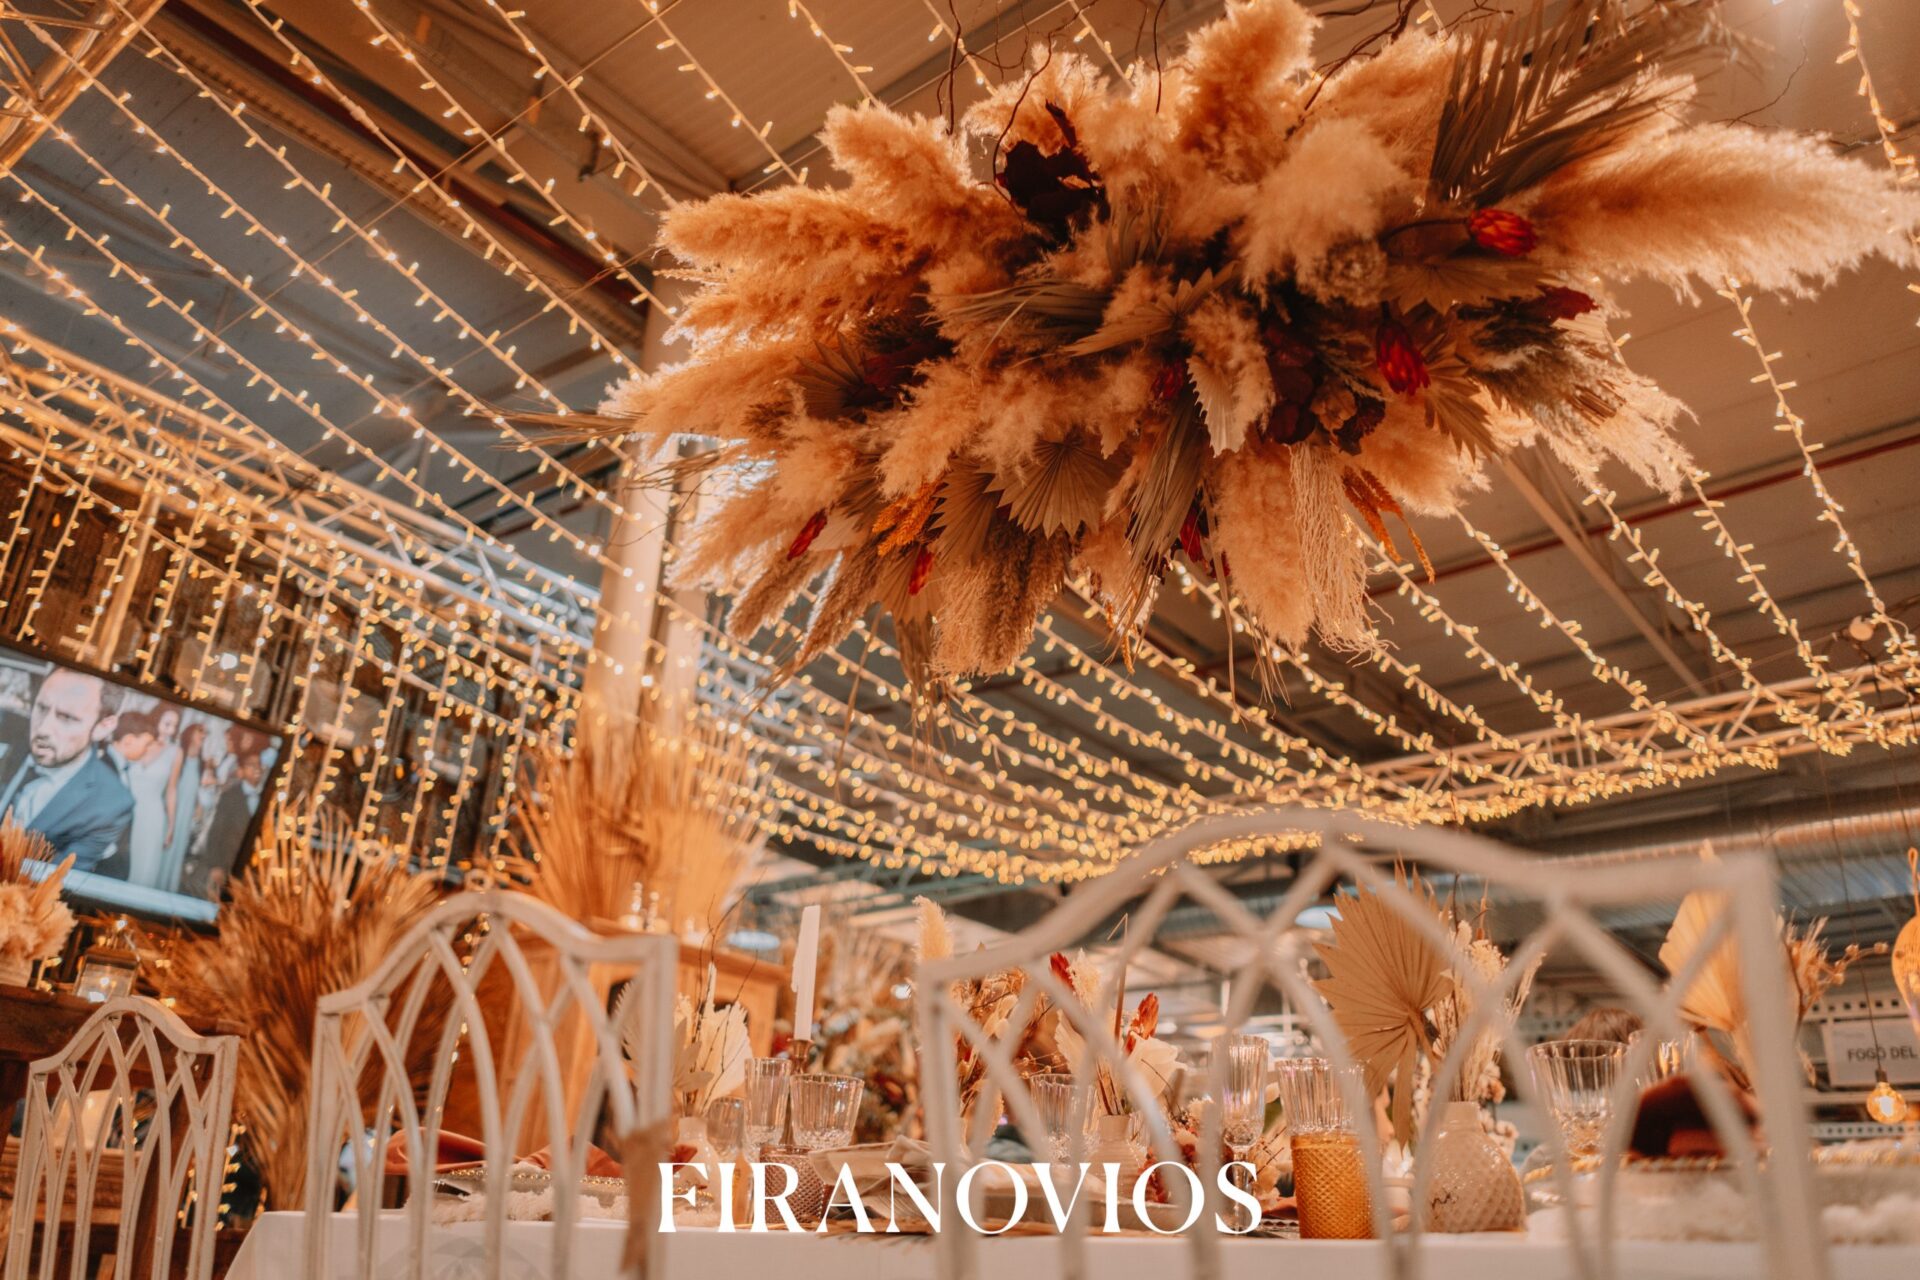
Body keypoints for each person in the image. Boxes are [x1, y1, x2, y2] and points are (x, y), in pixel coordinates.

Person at [0, 669, 135, 871]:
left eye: (67, 718)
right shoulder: (12, 743)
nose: (43, 729)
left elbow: (60, 879)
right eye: (42, 708)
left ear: (103, 727)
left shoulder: (110, 804)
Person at [107, 710, 170, 887]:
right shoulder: (105, 767)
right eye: (147, 744)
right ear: (128, 740)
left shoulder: (123, 767)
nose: (148, 750)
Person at [157, 721, 207, 895]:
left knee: (178, 848)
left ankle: (167, 887)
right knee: (164, 847)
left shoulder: (201, 763)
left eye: (204, 733)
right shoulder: (178, 756)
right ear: (190, 734)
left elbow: (194, 788)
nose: (203, 735)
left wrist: (198, 804)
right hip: (171, 811)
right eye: (200, 731)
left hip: (186, 815)